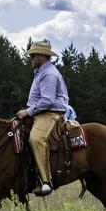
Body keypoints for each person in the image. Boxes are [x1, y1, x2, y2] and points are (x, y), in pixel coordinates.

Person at [15, 40, 71, 197]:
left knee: (36, 139)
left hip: (49, 113)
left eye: (33, 55)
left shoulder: (49, 74)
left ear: (42, 56)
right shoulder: (41, 72)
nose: (30, 58)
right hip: (40, 111)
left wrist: (28, 112)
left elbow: (48, 100)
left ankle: (46, 182)